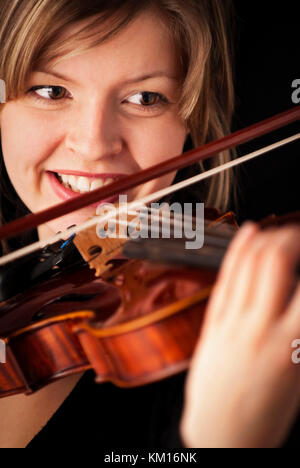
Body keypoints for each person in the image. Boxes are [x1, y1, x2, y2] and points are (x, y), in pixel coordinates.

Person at [0, 0, 299, 448]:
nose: (94, 143)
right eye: (52, 91)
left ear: (190, 117)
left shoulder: (240, 350)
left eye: (145, 98)